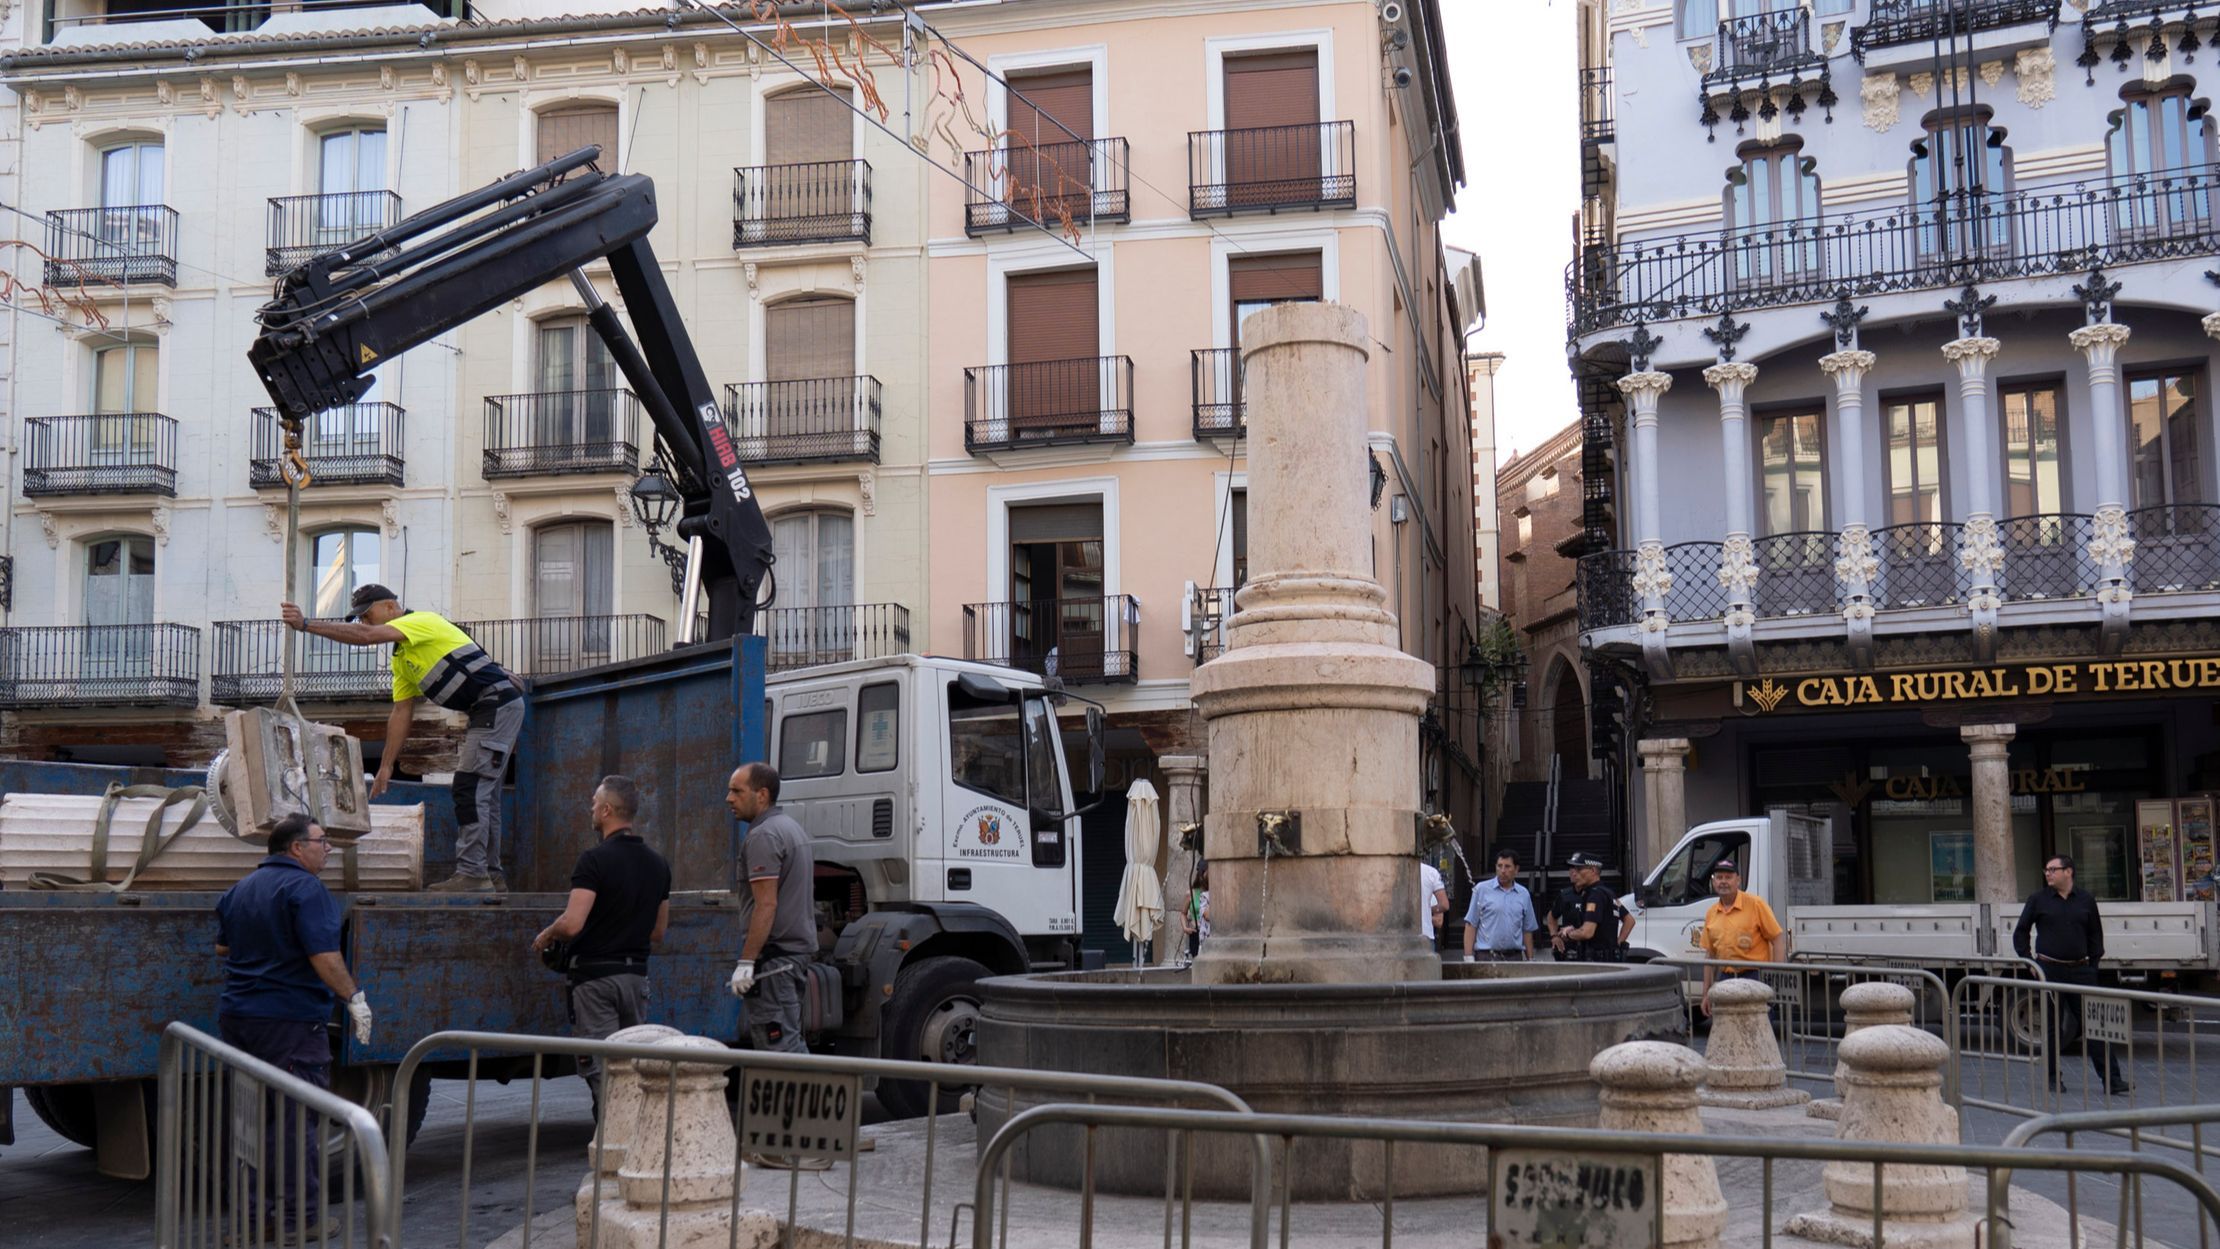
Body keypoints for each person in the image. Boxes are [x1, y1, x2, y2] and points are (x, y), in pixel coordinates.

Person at [283, 583, 521, 892]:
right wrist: (386, 766)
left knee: (470, 786)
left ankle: (474, 873)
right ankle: (489, 874)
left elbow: (366, 638)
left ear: (390, 607)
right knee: (483, 793)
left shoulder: (421, 621)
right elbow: (401, 712)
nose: (364, 624)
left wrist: (305, 625)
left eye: (367, 615)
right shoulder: (402, 659)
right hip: (489, 708)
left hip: (496, 703)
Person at [214, 814, 374, 1230]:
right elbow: (324, 957)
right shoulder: (307, 889)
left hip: (239, 1018)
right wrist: (353, 997)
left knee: (249, 1120)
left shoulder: (238, 890)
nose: (328, 850)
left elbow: (221, 947)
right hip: (289, 1021)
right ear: (297, 847)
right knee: (293, 1122)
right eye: (323, 842)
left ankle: (251, 1220)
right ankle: (297, 1219)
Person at [532, 774, 672, 1099]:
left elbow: (571, 924)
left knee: (603, 1076)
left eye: (594, 803)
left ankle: (610, 1144)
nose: (590, 809)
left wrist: (546, 934)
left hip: (595, 982)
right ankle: (635, 1143)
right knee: (632, 1070)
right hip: (636, 979)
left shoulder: (593, 860)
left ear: (607, 810)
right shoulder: (659, 865)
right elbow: (658, 931)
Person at [2014, 854, 2131, 1095]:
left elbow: (2095, 935)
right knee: (2052, 1028)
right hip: (2049, 970)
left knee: (2096, 1026)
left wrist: (2092, 966)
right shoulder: (2038, 899)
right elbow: (2021, 932)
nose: (2047, 873)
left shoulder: (2086, 899)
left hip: (2081, 970)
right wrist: (2031, 964)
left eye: (2053, 869)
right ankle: (2053, 1079)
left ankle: (2113, 1080)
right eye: (2046, 869)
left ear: (2068, 872)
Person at [725, 763, 815, 1055]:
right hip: (789, 958)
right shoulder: (790, 828)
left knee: (780, 1053)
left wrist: (747, 961)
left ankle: (803, 1101)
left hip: (775, 962)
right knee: (787, 1044)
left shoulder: (764, 835)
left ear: (761, 795)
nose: (729, 798)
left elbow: (766, 903)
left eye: (737, 791)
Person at [1697, 857, 1788, 1017]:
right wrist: (1706, 994)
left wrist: (1775, 980)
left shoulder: (1755, 904)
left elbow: (1777, 939)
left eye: (1728, 877)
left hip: (1755, 977)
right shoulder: (1712, 913)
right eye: (1719, 877)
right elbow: (1709, 956)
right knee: (1730, 1030)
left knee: (1758, 1031)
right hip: (1726, 979)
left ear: (1738, 880)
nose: (1723, 882)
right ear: (1713, 882)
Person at [1463, 847, 1539, 962]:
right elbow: (1471, 924)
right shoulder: (1482, 889)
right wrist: (1468, 957)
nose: (1503, 871)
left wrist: (1530, 959)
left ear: (1516, 869)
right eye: (1499, 866)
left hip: (1514, 957)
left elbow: (1527, 929)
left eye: (1507, 866)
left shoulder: (1523, 894)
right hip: (1487, 955)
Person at [1552, 852, 1630, 962]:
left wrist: (1568, 934)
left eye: (1579, 869)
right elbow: (1629, 920)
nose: (1575, 873)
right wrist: (1616, 945)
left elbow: (1587, 932)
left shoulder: (1595, 895)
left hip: (1597, 963)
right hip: (1609, 960)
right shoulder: (1608, 892)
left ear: (1593, 870)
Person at [1419, 858, 1448, 947]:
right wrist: (1427, 911)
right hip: (1425, 935)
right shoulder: (1430, 872)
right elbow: (1444, 905)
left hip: (1393, 937)